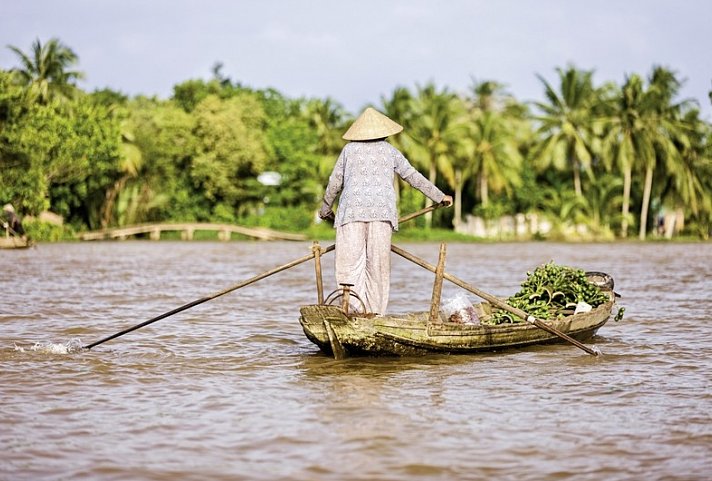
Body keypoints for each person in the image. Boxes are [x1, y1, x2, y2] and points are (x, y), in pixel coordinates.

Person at [319, 107, 453, 315]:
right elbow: (412, 176)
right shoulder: (390, 151)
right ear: (384, 132)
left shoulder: (349, 150)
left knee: (349, 267)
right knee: (377, 269)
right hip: (381, 215)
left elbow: (334, 182)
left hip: (350, 214)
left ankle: (350, 311)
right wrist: (440, 196)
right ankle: (373, 314)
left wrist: (325, 208)